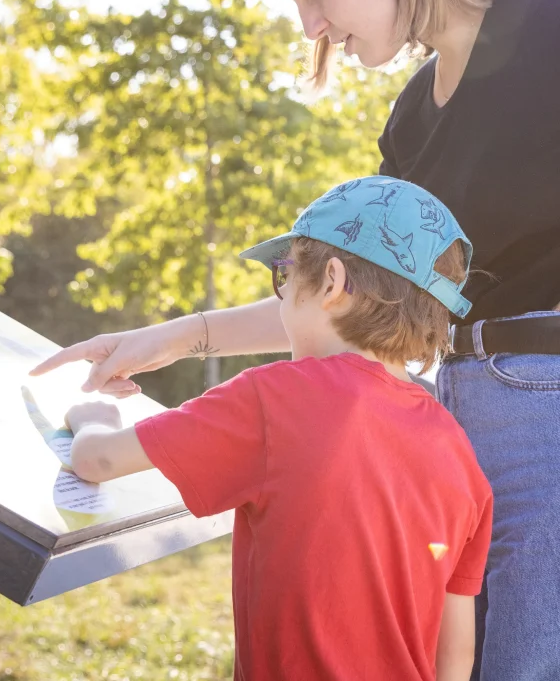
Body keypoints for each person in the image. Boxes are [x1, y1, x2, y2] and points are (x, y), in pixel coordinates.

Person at [30, 0, 560, 680]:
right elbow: (353, 295)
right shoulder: (413, 117)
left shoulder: (549, 27)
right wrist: (171, 338)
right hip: (448, 417)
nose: (312, 24)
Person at [60, 176, 492, 681]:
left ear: (331, 283)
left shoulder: (275, 398)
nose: (282, 291)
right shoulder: (460, 454)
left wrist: (91, 418)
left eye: (284, 273)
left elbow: (98, 461)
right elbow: (456, 656)